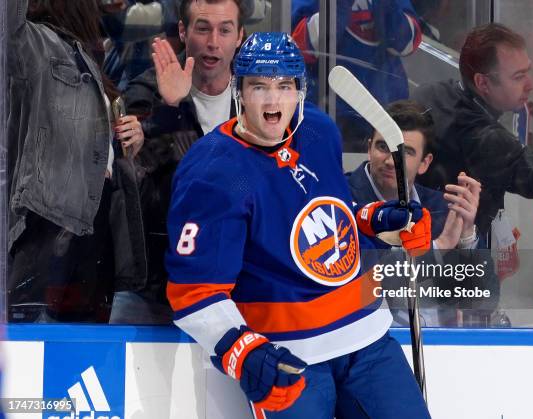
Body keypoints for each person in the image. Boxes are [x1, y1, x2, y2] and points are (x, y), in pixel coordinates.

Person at [165, 32, 431, 417]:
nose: (273, 100)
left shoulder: (319, 132)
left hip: (367, 337)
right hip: (290, 355)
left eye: (284, 86)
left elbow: (330, 210)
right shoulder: (214, 172)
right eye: (259, 86)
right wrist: (244, 352)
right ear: (239, 92)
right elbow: (193, 292)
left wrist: (375, 219)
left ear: (300, 91)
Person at [6, 0, 147, 323]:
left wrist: (135, 139)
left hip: (96, 236)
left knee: (86, 353)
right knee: (33, 342)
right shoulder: (38, 44)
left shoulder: (93, 61)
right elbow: (7, 27)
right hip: (45, 228)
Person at [110, 0, 249, 323]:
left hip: (236, 284)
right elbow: (128, 160)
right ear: (184, 32)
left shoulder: (255, 98)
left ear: (239, 36)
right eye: (202, 28)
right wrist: (169, 107)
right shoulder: (149, 89)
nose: (213, 41)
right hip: (153, 287)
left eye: (224, 30)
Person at [411, 23, 533, 245]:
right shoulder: (485, 139)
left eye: (528, 72)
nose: (530, 85)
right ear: (482, 82)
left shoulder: (429, 95)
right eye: (518, 77)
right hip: (454, 265)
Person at [347, 99, 502, 327]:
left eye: (405, 152)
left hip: (441, 349)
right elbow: (355, 289)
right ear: (368, 148)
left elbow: (485, 302)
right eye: (383, 147)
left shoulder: (442, 208)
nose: (391, 161)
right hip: (376, 349)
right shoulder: (338, 200)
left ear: (424, 163)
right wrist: (438, 248)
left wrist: (467, 237)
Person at [291, 0, 423, 151]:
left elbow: (408, 44)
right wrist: (336, 10)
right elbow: (296, 48)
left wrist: (387, 8)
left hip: (383, 114)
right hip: (328, 113)